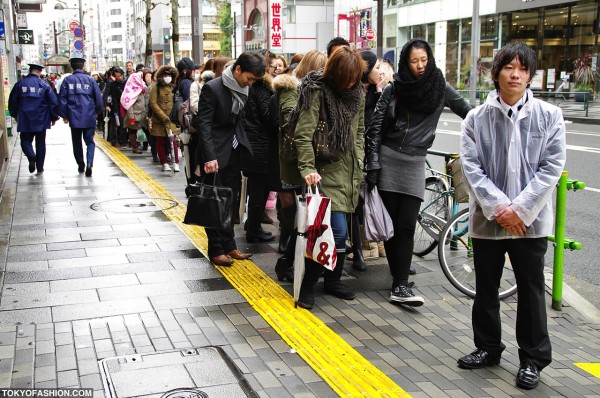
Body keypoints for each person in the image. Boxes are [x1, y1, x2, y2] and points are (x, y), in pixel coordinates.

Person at [457, 41, 566, 391]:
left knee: (531, 291)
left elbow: (551, 168)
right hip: (488, 221)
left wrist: (519, 210)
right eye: (508, 67)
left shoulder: (549, 116)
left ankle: (533, 359)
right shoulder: (476, 118)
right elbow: (471, 168)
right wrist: (499, 208)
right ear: (496, 73)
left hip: (529, 223)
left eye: (522, 68)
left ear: (530, 74)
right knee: (485, 287)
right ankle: (487, 348)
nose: (515, 73)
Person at [364, 38, 471, 306]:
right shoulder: (395, 88)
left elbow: (469, 113)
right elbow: (375, 128)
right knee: (391, 227)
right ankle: (399, 282)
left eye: (424, 60)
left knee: (407, 225)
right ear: (405, 62)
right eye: (414, 61)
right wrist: (374, 162)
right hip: (389, 158)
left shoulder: (440, 87)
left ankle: (400, 281)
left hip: (414, 162)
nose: (420, 65)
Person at [294, 46, 366, 309]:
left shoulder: (358, 94)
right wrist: (307, 168)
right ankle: (307, 286)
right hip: (323, 172)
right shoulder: (316, 91)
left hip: (349, 172)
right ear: (334, 72)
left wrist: (360, 161)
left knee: (341, 232)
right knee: (332, 231)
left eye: (354, 77)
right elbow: (303, 135)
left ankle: (333, 281)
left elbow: (359, 133)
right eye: (345, 77)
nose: (350, 83)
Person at [193, 51, 266, 267]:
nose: (250, 83)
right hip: (215, 151)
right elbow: (204, 124)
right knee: (215, 200)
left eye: (254, 80)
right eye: (249, 78)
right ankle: (216, 249)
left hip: (234, 150)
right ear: (237, 70)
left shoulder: (244, 89)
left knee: (230, 199)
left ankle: (229, 244)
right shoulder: (213, 88)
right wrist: (209, 157)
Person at [272, 49, 327, 283]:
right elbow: (288, 119)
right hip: (294, 161)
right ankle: (286, 261)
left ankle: (294, 260)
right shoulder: (291, 87)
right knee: (299, 217)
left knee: (304, 216)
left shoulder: (312, 89)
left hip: (306, 161)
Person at [241, 55, 276, 243]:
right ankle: (254, 229)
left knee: (257, 188)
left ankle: (252, 226)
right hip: (261, 144)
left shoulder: (250, 85)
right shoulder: (262, 87)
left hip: (252, 143)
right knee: (259, 189)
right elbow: (266, 114)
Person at [8, 63, 59, 174]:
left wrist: (14, 114)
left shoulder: (20, 84)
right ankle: (40, 168)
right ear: (40, 72)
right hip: (41, 118)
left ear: (30, 70)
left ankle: (31, 156)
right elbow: (53, 103)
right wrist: (54, 117)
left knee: (25, 141)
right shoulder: (44, 85)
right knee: (40, 143)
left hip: (25, 118)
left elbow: (12, 101)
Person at [58, 57, 104, 177]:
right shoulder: (90, 80)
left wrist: (64, 115)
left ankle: (81, 165)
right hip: (89, 115)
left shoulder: (67, 80)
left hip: (74, 116)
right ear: (83, 67)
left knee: (76, 142)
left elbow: (62, 99)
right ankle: (90, 163)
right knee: (90, 141)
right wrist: (97, 111)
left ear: (72, 67)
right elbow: (98, 99)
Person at [149, 65, 181, 172]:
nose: (168, 77)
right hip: (159, 120)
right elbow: (153, 103)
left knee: (174, 142)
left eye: (169, 75)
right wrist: (162, 115)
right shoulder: (155, 87)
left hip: (172, 119)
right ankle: (164, 162)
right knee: (160, 141)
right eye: (165, 75)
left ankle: (176, 162)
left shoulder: (174, 87)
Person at [120, 65, 147, 154]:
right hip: (134, 116)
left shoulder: (141, 88)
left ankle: (140, 146)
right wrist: (131, 117)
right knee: (132, 132)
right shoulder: (131, 91)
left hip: (142, 115)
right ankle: (135, 147)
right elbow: (129, 105)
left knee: (143, 131)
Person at [103, 66, 127, 147]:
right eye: (117, 76)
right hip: (116, 106)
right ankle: (114, 140)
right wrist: (106, 105)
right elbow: (107, 94)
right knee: (116, 123)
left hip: (125, 105)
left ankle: (123, 140)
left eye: (121, 75)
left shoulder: (126, 83)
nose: (120, 78)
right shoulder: (112, 84)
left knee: (124, 123)